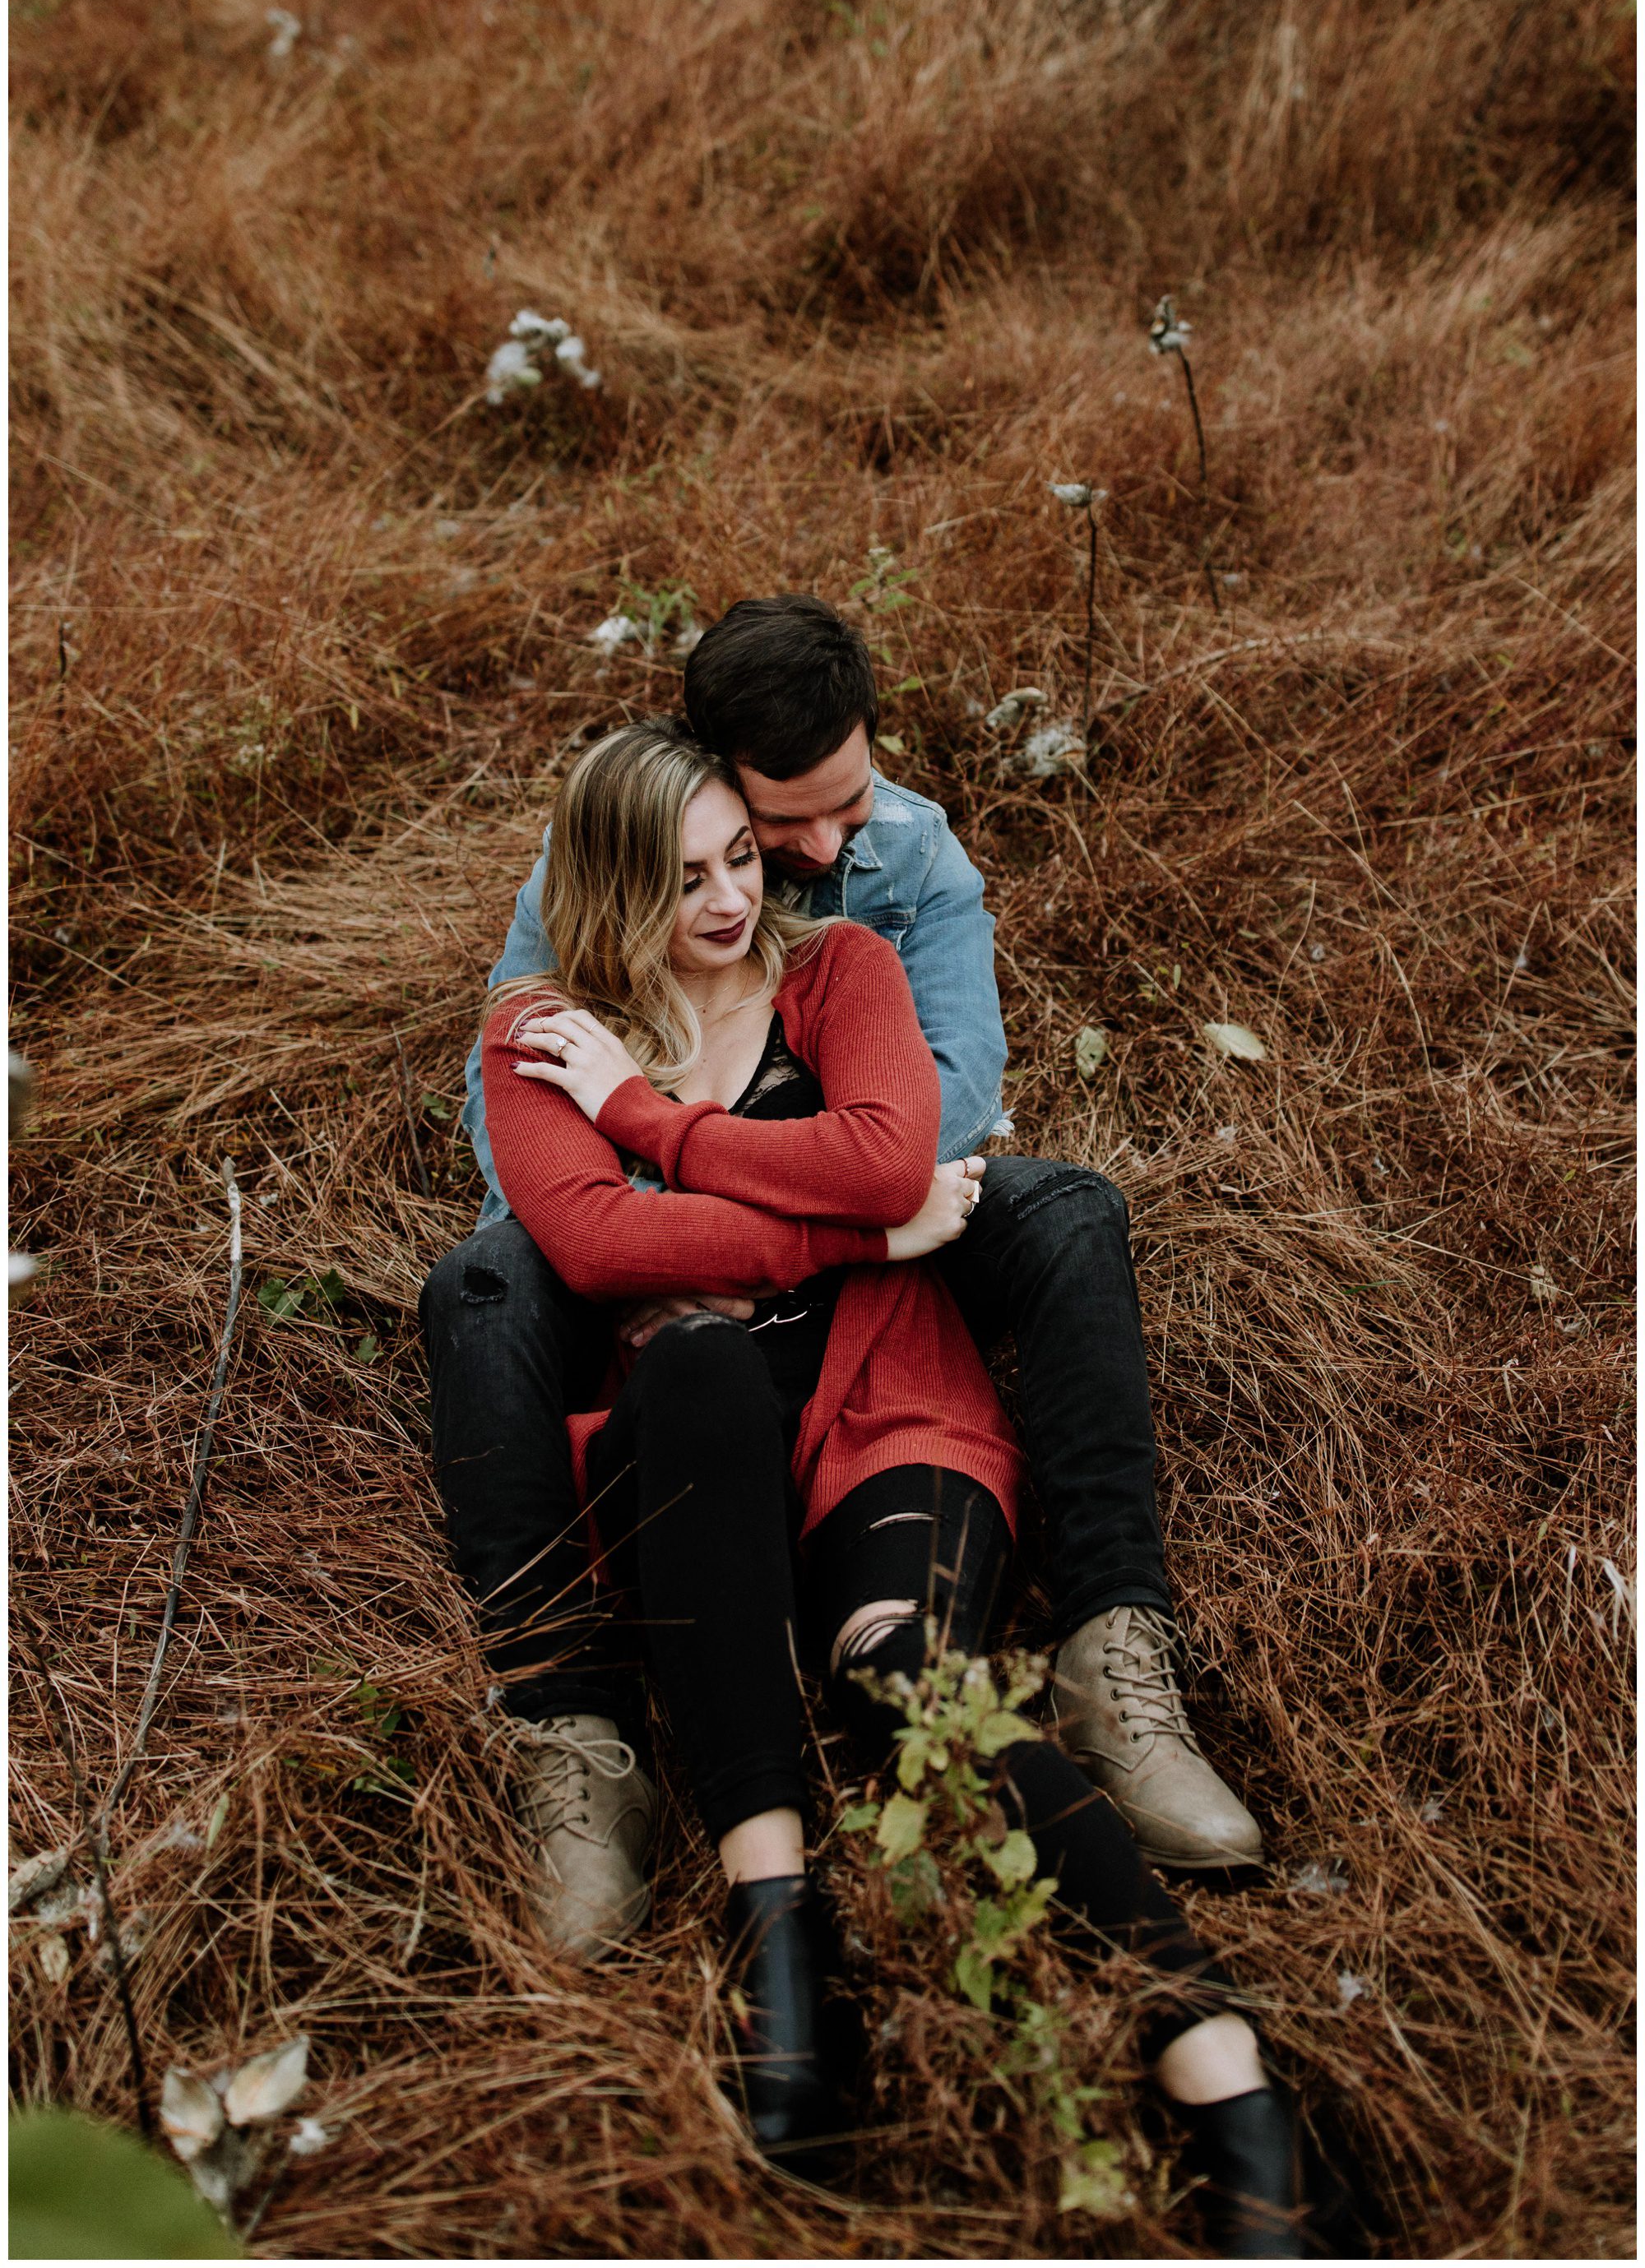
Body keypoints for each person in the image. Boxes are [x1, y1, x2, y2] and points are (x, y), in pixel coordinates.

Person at [462, 717, 1300, 2249]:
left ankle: (1214, 2047)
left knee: (910, 1671)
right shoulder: (544, 1027)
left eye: (735, 861)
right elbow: (595, 1248)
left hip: (884, 1405)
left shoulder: (836, 970)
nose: (724, 903)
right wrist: (862, 1231)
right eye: (680, 877)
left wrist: (652, 1125)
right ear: (603, 882)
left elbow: (892, 1149)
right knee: (697, 1369)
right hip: (693, 1457)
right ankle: (787, 1936)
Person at [423, 593, 1261, 1916]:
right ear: (702, 773)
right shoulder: (607, 856)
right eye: (774, 822)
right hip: (699, 1239)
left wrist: (716, 1170)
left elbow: (937, 1116)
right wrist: (690, 1238)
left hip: (883, 1210)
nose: (811, 848)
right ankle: (570, 1724)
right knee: (480, 1282)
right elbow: (521, 1141)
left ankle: (1113, 1650)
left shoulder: (913, 864)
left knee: (1068, 1213)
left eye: (844, 805)